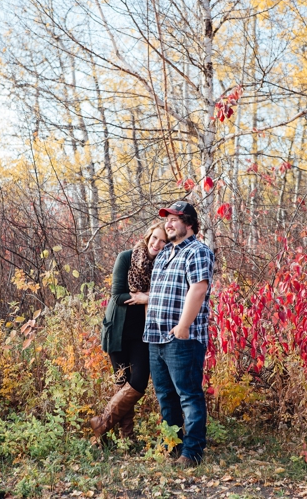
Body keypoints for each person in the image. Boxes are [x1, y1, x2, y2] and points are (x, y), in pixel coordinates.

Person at [144, 200, 215, 467]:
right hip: (156, 337)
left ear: (190, 223)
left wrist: (183, 326)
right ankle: (171, 444)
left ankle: (192, 452)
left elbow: (198, 289)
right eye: (167, 219)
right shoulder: (164, 253)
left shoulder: (197, 251)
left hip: (182, 338)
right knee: (165, 397)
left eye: (174, 219)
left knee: (188, 395)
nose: (168, 223)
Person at [91, 221, 166, 441]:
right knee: (122, 383)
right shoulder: (126, 257)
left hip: (143, 334)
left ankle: (102, 424)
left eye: (163, 241)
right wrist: (142, 296)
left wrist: (149, 298)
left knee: (139, 381)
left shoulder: (163, 265)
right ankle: (128, 438)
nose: (157, 243)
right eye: (155, 238)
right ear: (148, 235)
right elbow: (117, 295)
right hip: (118, 332)